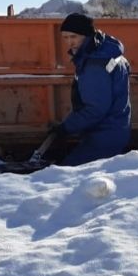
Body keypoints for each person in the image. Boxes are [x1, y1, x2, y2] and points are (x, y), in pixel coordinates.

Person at [50, 13, 131, 166]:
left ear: (86, 34)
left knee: (66, 176)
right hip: (116, 128)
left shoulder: (95, 63)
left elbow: (96, 108)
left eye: (73, 37)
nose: (69, 42)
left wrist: (66, 128)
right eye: (65, 38)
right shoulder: (109, 51)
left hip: (103, 135)